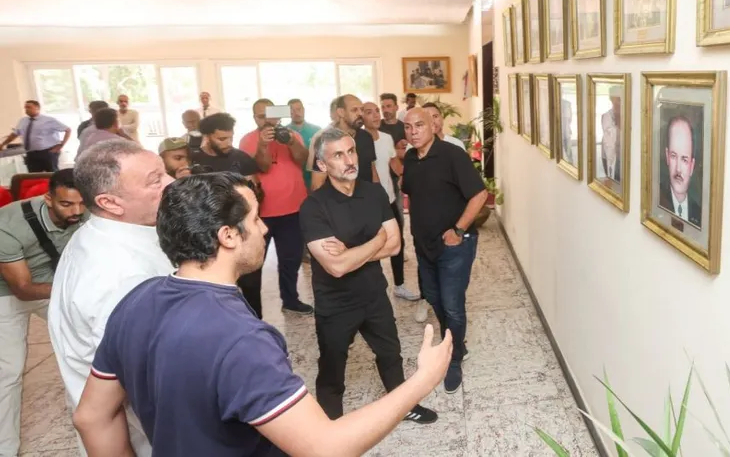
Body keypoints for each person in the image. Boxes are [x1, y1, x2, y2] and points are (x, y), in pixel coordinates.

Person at [71, 173, 452, 456]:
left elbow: (91, 416)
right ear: (228, 235)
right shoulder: (241, 340)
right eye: (255, 219)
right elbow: (326, 448)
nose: (265, 227)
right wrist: (423, 380)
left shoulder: (137, 300)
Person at [300, 129, 436, 423]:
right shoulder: (314, 207)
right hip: (335, 304)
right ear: (322, 165)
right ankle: (329, 428)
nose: (349, 160)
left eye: (351, 151)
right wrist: (375, 241)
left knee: (391, 353)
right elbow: (336, 267)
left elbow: (396, 244)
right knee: (333, 366)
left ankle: (403, 406)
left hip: (374, 293)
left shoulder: (374, 192)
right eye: (338, 155)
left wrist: (350, 252)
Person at [49, 140, 175, 456]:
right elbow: (138, 381)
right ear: (111, 202)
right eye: (155, 179)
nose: (172, 183)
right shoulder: (117, 277)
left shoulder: (116, 234)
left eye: (164, 172)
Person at [401, 108, 487, 393]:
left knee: (452, 305)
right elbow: (413, 194)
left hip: (454, 245)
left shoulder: (452, 155)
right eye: (408, 127)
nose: (413, 131)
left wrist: (459, 230)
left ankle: (453, 359)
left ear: (433, 125)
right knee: (435, 299)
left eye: (419, 125)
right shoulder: (411, 158)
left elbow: (480, 194)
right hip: (424, 246)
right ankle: (455, 342)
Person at [0, 169, 86, 455]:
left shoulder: (88, 211)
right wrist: (75, 284)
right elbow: (22, 289)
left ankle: (93, 434)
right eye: (66, 204)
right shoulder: (8, 224)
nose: (76, 211)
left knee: (86, 351)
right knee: (8, 370)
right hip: (8, 291)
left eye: (81, 203)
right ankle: (5, 449)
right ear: (48, 198)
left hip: (52, 282)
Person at [239, 99, 313, 318]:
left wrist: (291, 142)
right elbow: (262, 166)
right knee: (254, 263)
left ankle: (290, 300)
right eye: (260, 116)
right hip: (260, 213)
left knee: (290, 260)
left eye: (269, 115)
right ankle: (253, 310)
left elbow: (303, 160)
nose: (266, 120)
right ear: (254, 118)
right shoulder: (248, 140)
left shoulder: (291, 135)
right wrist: (263, 144)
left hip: (293, 209)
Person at [363, 103, 417, 302]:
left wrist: (407, 178)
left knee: (397, 242)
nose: (376, 115)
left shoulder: (386, 138)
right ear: (361, 117)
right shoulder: (358, 140)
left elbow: (393, 163)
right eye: (369, 112)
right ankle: (370, 290)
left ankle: (400, 285)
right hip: (369, 204)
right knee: (370, 246)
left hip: (390, 200)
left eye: (376, 111)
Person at [308, 95, 378, 191]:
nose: (360, 113)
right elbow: (317, 183)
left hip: (365, 199)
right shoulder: (326, 141)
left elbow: (372, 170)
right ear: (341, 112)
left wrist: (379, 194)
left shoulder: (366, 137)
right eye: (354, 110)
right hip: (337, 202)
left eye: (361, 110)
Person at [1, 100, 70, 172]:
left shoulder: (48, 120)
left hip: (48, 152)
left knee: (52, 175)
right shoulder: (23, 121)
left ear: (37, 108)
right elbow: (14, 134)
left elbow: (68, 130)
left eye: (29, 107)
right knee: (33, 176)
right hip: (31, 153)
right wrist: (3, 144)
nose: (26, 109)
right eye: (25, 108)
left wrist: (61, 145)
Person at [659, 115, 700, 230]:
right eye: (673, 156)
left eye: (684, 160)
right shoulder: (657, 199)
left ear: (691, 166)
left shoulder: (699, 213)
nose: (678, 169)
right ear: (667, 157)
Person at [191, 113, 260, 176]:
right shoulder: (193, 160)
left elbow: (253, 186)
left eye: (231, 138)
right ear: (207, 137)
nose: (229, 143)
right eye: (222, 139)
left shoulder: (242, 158)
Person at [285, 99, 321, 190]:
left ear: (303, 110)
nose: (296, 113)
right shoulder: (284, 133)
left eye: (299, 109)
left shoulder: (317, 130)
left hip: (314, 179)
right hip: (292, 182)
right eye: (292, 110)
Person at [600, 87, 622, 183]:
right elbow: (606, 144)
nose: (618, 102)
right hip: (611, 158)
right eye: (616, 99)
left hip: (622, 158)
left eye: (620, 99)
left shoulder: (629, 116)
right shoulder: (606, 117)